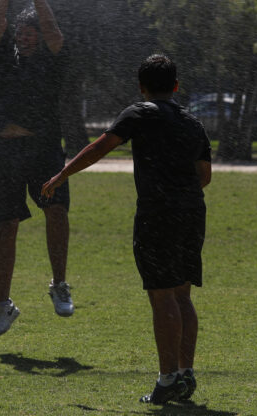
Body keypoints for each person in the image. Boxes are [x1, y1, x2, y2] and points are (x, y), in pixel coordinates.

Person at [42, 54, 212, 404]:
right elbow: (205, 176)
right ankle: (185, 373)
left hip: (157, 214)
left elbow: (99, 148)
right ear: (176, 86)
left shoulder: (140, 113)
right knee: (182, 294)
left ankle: (167, 381)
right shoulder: (194, 124)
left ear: (142, 86)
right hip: (192, 213)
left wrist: (63, 174)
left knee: (161, 295)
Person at [0, 0, 73, 338]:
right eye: (20, 33)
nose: (23, 36)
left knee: (56, 211)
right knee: (5, 226)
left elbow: (54, 30)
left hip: (44, 150)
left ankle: (59, 284)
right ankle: (3, 305)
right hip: (5, 152)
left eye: (29, 31)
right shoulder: (6, 59)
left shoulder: (52, 59)